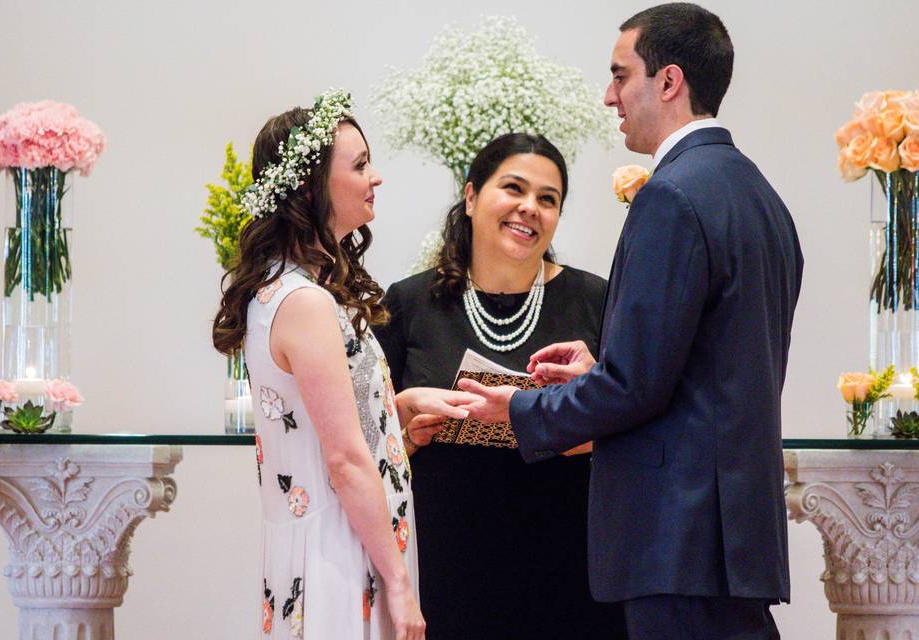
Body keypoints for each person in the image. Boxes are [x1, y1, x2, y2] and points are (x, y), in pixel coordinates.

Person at [458, 5, 803, 638]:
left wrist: (519, 410)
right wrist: (602, 364)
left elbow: (635, 387)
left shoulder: (670, 196)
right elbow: (710, 369)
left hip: (677, 542)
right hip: (735, 543)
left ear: (668, 81)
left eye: (621, 76)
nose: (610, 96)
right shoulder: (762, 198)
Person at [212, 90, 478, 640]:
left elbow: (326, 422)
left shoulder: (288, 290)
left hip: (341, 540)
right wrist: (399, 584)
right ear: (310, 188)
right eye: (359, 165)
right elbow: (345, 459)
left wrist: (399, 407)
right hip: (340, 551)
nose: (375, 177)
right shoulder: (305, 302)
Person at [373, 133, 624, 639]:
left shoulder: (597, 300)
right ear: (470, 198)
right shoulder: (409, 303)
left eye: (548, 199)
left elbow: (639, 422)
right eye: (514, 188)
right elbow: (359, 438)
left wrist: (594, 414)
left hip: (569, 568)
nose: (529, 208)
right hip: (445, 569)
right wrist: (403, 418)